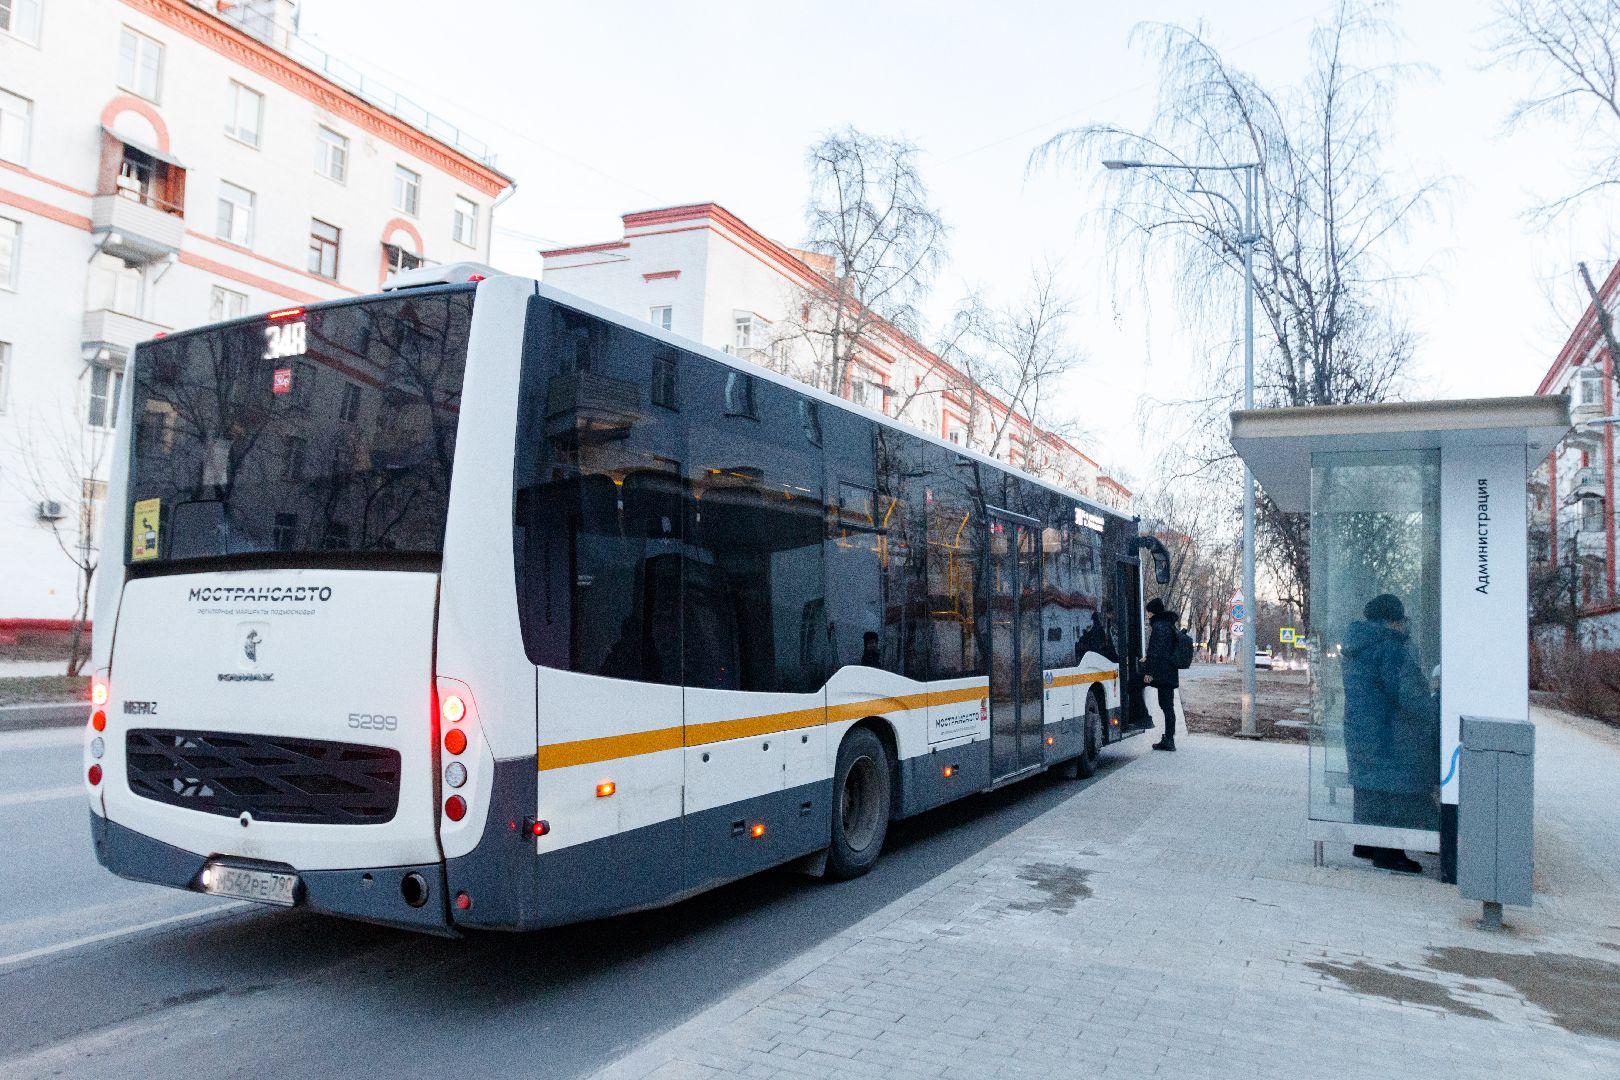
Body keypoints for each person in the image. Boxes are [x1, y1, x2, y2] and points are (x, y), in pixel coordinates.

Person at [1340, 593, 1435, 875]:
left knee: (1369, 784)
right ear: (1390, 621)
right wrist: (1432, 708)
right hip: (1388, 729)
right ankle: (1389, 851)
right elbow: (1407, 692)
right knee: (1393, 786)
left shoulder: (1357, 645)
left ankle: (1366, 842)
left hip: (1360, 727)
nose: (1404, 626)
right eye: (1401, 620)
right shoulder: (1390, 647)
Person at [1142, 598, 1181, 751]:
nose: (1147, 615)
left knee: (1166, 706)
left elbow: (1156, 650)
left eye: (1148, 612)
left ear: (1153, 612)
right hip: (1169, 671)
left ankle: (1169, 740)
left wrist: (1149, 672)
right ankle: (1169, 738)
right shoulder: (1168, 626)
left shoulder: (1159, 627)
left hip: (1162, 673)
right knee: (1167, 706)